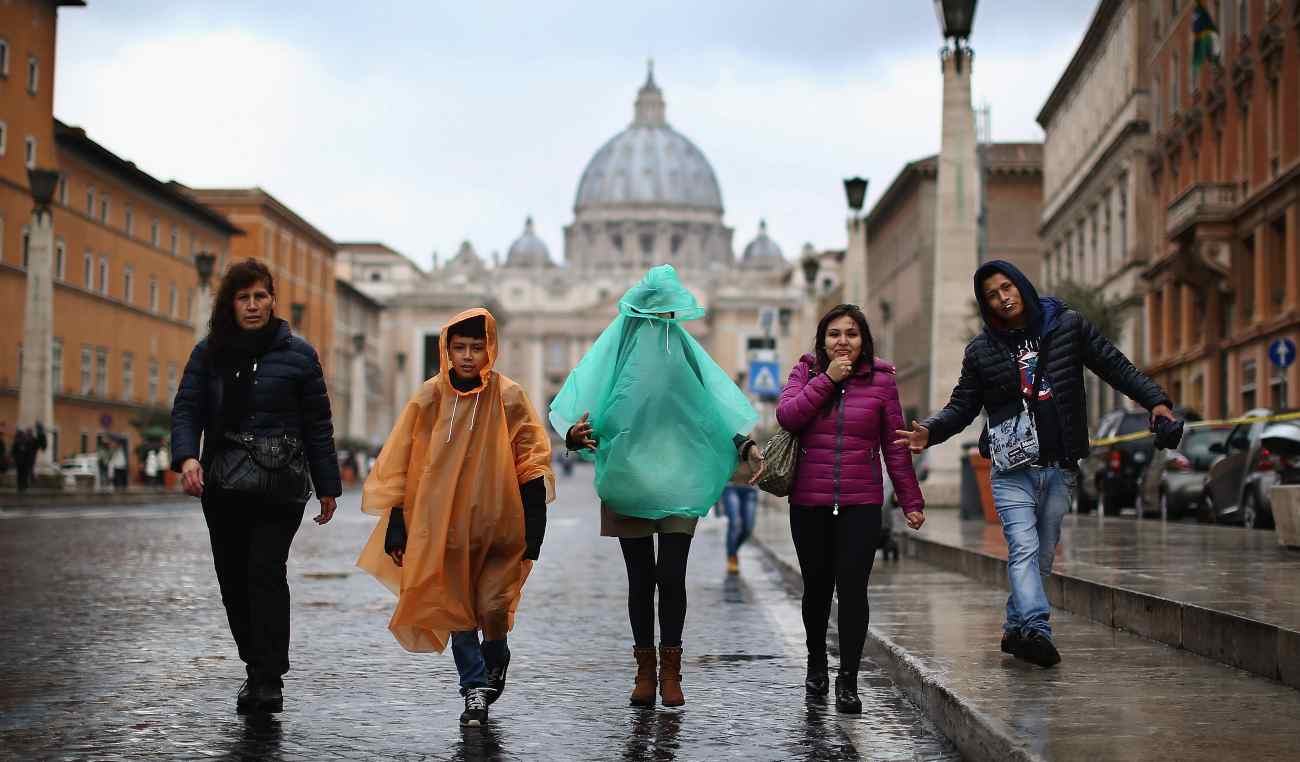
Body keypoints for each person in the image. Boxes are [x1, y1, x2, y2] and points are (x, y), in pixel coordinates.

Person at [895, 261, 1172, 669]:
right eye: (991, 295)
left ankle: (1014, 630)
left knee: (1041, 556)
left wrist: (1157, 401)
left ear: (1021, 286)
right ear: (985, 303)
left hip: (1060, 466)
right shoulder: (981, 350)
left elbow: (1116, 367)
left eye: (1006, 287)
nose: (1002, 298)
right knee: (1023, 548)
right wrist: (931, 431)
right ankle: (1038, 630)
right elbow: (963, 405)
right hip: (1011, 470)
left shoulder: (1068, 326)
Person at [550, 265, 763, 709]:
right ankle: (645, 669)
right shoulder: (617, 354)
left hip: (678, 474)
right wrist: (572, 435)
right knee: (640, 578)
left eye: (664, 315)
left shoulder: (684, 354)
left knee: (671, 574)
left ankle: (671, 670)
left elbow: (712, 409)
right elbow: (586, 403)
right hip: (629, 474)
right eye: (651, 314)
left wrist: (743, 444)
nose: (657, 323)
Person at [357, 308, 554, 728]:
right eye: (459, 347)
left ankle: (497, 652)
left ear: (490, 349)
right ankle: (474, 689)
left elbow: (531, 458)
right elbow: (403, 463)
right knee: (454, 609)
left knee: (493, 606)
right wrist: (398, 522)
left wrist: (533, 526)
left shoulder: (509, 396)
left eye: (476, 347)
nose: (467, 356)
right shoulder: (429, 397)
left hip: (499, 526)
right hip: (439, 526)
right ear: (447, 349)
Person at [170, 257, 341, 714]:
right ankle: (254, 664)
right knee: (233, 581)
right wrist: (187, 456)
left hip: (280, 486)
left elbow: (317, 425)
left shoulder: (300, 355)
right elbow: (187, 409)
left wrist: (328, 485)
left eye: (260, 296)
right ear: (231, 303)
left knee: (264, 574)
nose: (252, 305)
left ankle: (268, 679)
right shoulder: (208, 354)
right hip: (224, 484)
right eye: (243, 297)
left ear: (272, 299)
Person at [777, 304, 925, 714]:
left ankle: (848, 681)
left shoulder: (882, 380)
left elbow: (896, 448)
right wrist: (827, 380)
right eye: (834, 334)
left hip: (861, 504)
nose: (843, 341)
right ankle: (816, 664)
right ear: (822, 340)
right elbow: (788, 417)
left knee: (854, 590)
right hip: (809, 503)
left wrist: (910, 500)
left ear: (864, 340)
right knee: (817, 590)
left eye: (852, 334)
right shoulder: (805, 373)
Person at [718, 473, 757, 575]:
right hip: (730, 485)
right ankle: (732, 557)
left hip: (751, 486)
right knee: (734, 523)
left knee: (748, 528)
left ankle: (733, 549)